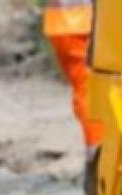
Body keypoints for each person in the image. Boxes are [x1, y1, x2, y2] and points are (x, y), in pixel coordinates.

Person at [42, 0, 104, 151]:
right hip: (83, 24)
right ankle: (98, 151)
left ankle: (96, 148)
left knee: (84, 88)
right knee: (90, 90)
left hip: (63, 24)